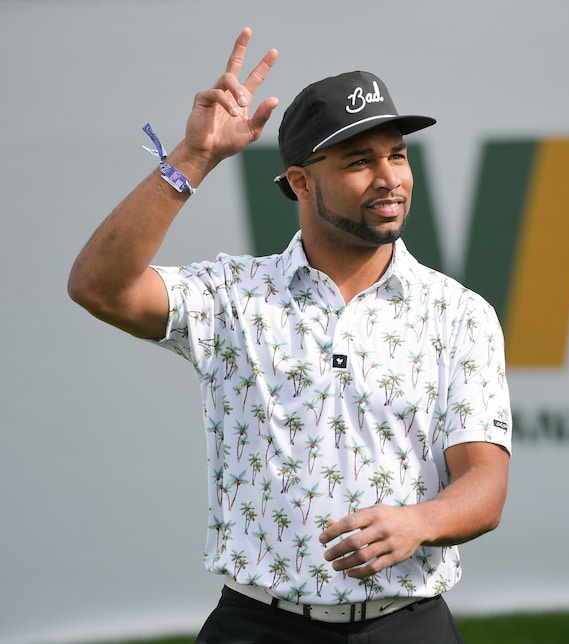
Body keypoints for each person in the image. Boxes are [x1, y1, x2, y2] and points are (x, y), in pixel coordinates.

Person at [67, 27, 511, 644]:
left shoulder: (459, 313)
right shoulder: (235, 296)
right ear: (301, 183)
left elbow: (484, 487)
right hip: (257, 626)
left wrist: (419, 522)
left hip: (409, 627)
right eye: (360, 161)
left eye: (397, 155)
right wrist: (193, 158)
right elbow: (100, 287)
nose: (390, 178)